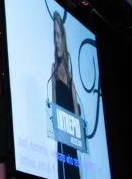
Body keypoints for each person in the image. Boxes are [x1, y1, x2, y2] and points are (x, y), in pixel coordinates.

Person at [51, 11, 80, 179]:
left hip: (72, 144)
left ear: (63, 38)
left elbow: (76, 114)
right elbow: (54, 108)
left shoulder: (71, 79)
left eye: (58, 35)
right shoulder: (53, 70)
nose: (56, 41)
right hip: (61, 144)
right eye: (54, 36)